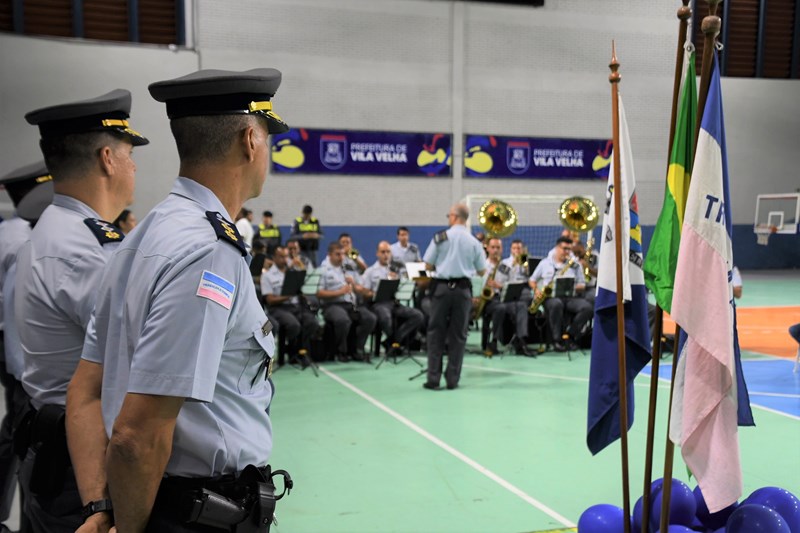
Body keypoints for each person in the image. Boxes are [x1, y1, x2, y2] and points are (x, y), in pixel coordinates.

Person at [66, 68, 292, 531]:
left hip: (151, 500)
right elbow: (137, 434)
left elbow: (86, 392)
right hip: (194, 512)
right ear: (251, 140)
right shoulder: (209, 251)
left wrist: (99, 507)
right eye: (267, 138)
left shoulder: (142, 237)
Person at [15, 89, 148, 532]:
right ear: (107, 159)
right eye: (130, 154)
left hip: (51, 443)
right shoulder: (88, 252)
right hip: (84, 463)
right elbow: (136, 363)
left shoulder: (51, 231)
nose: (134, 166)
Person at [0, 161, 54, 532]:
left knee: (17, 438)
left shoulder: (9, 233)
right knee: (26, 445)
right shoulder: (25, 243)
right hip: (25, 363)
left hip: (14, 354)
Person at [423, 203, 486, 390]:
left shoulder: (440, 238)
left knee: (436, 333)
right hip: (463, 291)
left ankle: (433, 378)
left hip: (442, 289)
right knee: (458, 335)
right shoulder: (474, 242)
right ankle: (453, 379)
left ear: (454, 217)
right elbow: (482, 271)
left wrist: (443, 264)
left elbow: (427, 265)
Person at [528, 236, 592, 352]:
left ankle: (570, 336)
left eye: (569, 249)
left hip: (569, 297)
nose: (567, 252)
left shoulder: (575, 265)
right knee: (556, 304)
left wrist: (571, 287)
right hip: (550, 297)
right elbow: (532, 280)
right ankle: (556, 340)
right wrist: (537, 290)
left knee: (587, 307)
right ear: (557, 248)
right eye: (564, 249)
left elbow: (582, 285)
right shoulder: (545, 263)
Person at [361, 241, 424, 356]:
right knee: (385, 317)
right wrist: (375, 293)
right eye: (383, 252)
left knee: (417, 315)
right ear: (377, 254)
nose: (386, 255)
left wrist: (399, 282)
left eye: (388, 252)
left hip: (394, 303)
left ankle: (393, 342)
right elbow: (364, 292)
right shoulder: (370, 271)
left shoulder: (395, 270)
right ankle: (395, 343)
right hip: (378, 304)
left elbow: (403, 287)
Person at [317, 242, 376, 362]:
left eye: (342, 254)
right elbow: (319, 293)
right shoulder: (323, 270)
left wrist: (354, 284)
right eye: (337, 254)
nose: (341, 257)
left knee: (370, 318)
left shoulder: (347, 268)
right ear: (329, 255)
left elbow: (359, 286)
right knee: (343, 320)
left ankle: (356, 348)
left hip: (350, 304)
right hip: (332, 304)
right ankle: (341, 351)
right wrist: (339, 292)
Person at [261, 246, 319, 366]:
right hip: (278, 308)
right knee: (294, 325)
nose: (284, 259)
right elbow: (270, 300)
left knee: (312, 322)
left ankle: (298, 350)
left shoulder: (294, 273)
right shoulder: (267, 276)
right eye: (281, 257)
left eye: (286, 256)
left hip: (296, 306)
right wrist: (288, 295)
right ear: (274, 258)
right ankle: (291, 351)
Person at [483, 238, 533, 357]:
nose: (495, 250)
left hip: (512, 297)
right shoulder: (494, 264)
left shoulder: (516, 263)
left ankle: (521, 341)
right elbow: (492, 284)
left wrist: (525, 267)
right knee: (502, 308)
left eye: (498, 248)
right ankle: (494, 341)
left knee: (521, 305)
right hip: (497, 299)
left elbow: (523, 280)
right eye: (493, 247)